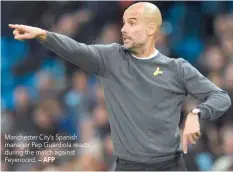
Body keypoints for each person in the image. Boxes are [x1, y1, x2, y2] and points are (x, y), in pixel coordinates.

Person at [9, 2, 231, 171]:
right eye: (124, 22)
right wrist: (44, 35)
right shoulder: (111, 57)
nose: (124, 29)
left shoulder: (177, 68)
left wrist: (196, 113)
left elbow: (220, 97)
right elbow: (77, 49)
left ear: (151, 29)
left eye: (132, 23)